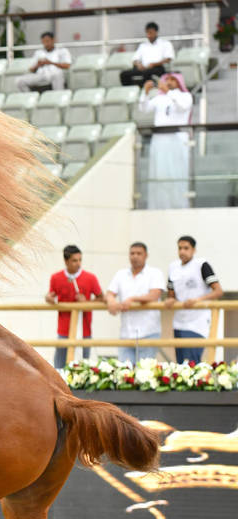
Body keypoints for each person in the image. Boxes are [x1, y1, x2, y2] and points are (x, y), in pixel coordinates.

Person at [165, 235, 223, 364]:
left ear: (193, 250)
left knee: (191, 364)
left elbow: (218, 291)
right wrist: (170, 299)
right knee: (180, 365)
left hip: (197, 322)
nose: (182, 252)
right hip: (179, 321)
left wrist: (198, 300)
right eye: (180, 248)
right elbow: (171, 293)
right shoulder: (173, 267)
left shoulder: (201, 264)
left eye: (186, 248)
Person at [140, 73, 193, 209]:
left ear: (179, 82)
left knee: (177, 173)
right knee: (160, 173)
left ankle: (180, 205)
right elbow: (144, 109)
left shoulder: (185, 96)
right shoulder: (159, 98)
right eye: (167, 79)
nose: (169, 82)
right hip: (160, 139)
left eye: (172, 80)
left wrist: (168, 92)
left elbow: (182, 106)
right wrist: (145, 93)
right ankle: (159, 206)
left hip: (178, 139)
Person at [106, 242, 166, 364]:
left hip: (148, 331)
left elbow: (155, 295)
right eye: (132, 253)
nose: (135, 256)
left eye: (139, 253)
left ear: (146, 256)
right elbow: (110, 292)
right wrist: (111, 302)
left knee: (145, 374)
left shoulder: (155, 273)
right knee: (125, 373)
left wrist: (132, 299)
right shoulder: (121, 274)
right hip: (126, 332)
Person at [45, 245, 103, 369]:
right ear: (66, 261)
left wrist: (86, 302)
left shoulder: (90, 278)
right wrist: (49, 298)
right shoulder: (56, 277)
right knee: (59, 366)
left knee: (85, 366)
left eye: (80, 260)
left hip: (85, 330)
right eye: (74, 260)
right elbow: (51, 295)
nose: (78, 263)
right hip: (64, 330)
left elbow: (101, 298)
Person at [120, 21, 175, 87]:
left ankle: (145, 89)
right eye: (147, 33)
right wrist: (138, 65)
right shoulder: (143, 45)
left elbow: (168, 59)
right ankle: (132, 90)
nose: (148, 35)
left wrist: (153, 64)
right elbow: (135, 59)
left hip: (158, 68)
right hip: (143, 68)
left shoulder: (165, 43)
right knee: (124, 74)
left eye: (150, 33)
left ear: (156, 32)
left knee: (147, 73)